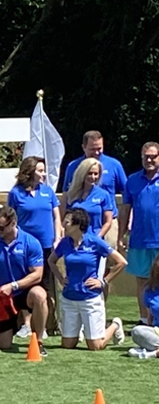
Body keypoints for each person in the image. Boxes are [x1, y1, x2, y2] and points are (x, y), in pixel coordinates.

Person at [47, 208, 127, 350]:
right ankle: (81, 331)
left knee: (95, 346)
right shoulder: (65, 243)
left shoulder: (94, 241)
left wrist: (103, 281)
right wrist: (60, 277)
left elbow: (121, 262)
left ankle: (115, 325)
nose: (63, 226)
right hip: (69, 297)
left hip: (90, 298)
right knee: (67, 345)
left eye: (67, 222)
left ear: (77, 225)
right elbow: (51, 261)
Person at [0, 206, 48, 353]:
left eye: (1, 227)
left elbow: (37, 274)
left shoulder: (30, 242)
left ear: (13, 223)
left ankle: (38, 341)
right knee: (3, 345)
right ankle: (11, 327)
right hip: (3, 298)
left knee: (40, 295)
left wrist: (13, 286)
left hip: (24, 292)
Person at [8, 156, 63, 338]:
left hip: (46, 246)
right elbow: (11, 219)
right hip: (24, 247)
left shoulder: (48, 192)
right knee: (25, 284)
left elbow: (56, 217)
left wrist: (57, 238)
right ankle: (26, 324)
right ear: (30, 172)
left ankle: (43, 326)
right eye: (40, 170)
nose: (44, 174)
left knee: (45, 285)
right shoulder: (16, 193)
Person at [119, 142, 159, 324]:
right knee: (142, 281)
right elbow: (125, 210)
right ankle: (145, 320)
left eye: (153, 156)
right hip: (140, 240)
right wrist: (120, 236)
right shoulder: (132, 181)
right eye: (146, 157)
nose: (149, 160)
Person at [61, 130, 128, 205]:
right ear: (84, 147)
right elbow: (66, 194)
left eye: (99, 149)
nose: (96, 153)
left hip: (107, 214)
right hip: (80, 214)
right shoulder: (73, 166)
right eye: (92, 149)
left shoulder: (114, 165)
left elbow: (127, 192)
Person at [63, 158, 114, 237]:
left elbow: (108, 221)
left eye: (96, 174)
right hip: (74, 240)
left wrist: (98, 238)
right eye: (89, 173)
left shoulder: (103, 195)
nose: (93, 177)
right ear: (82, 173)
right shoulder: (71, 193)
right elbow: (63, 219)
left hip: (94, 240)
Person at [130, 257, 159, 358]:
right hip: (157, 332)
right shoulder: (149, 291)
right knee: (137, 331)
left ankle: (153, 353)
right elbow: (150, 318)